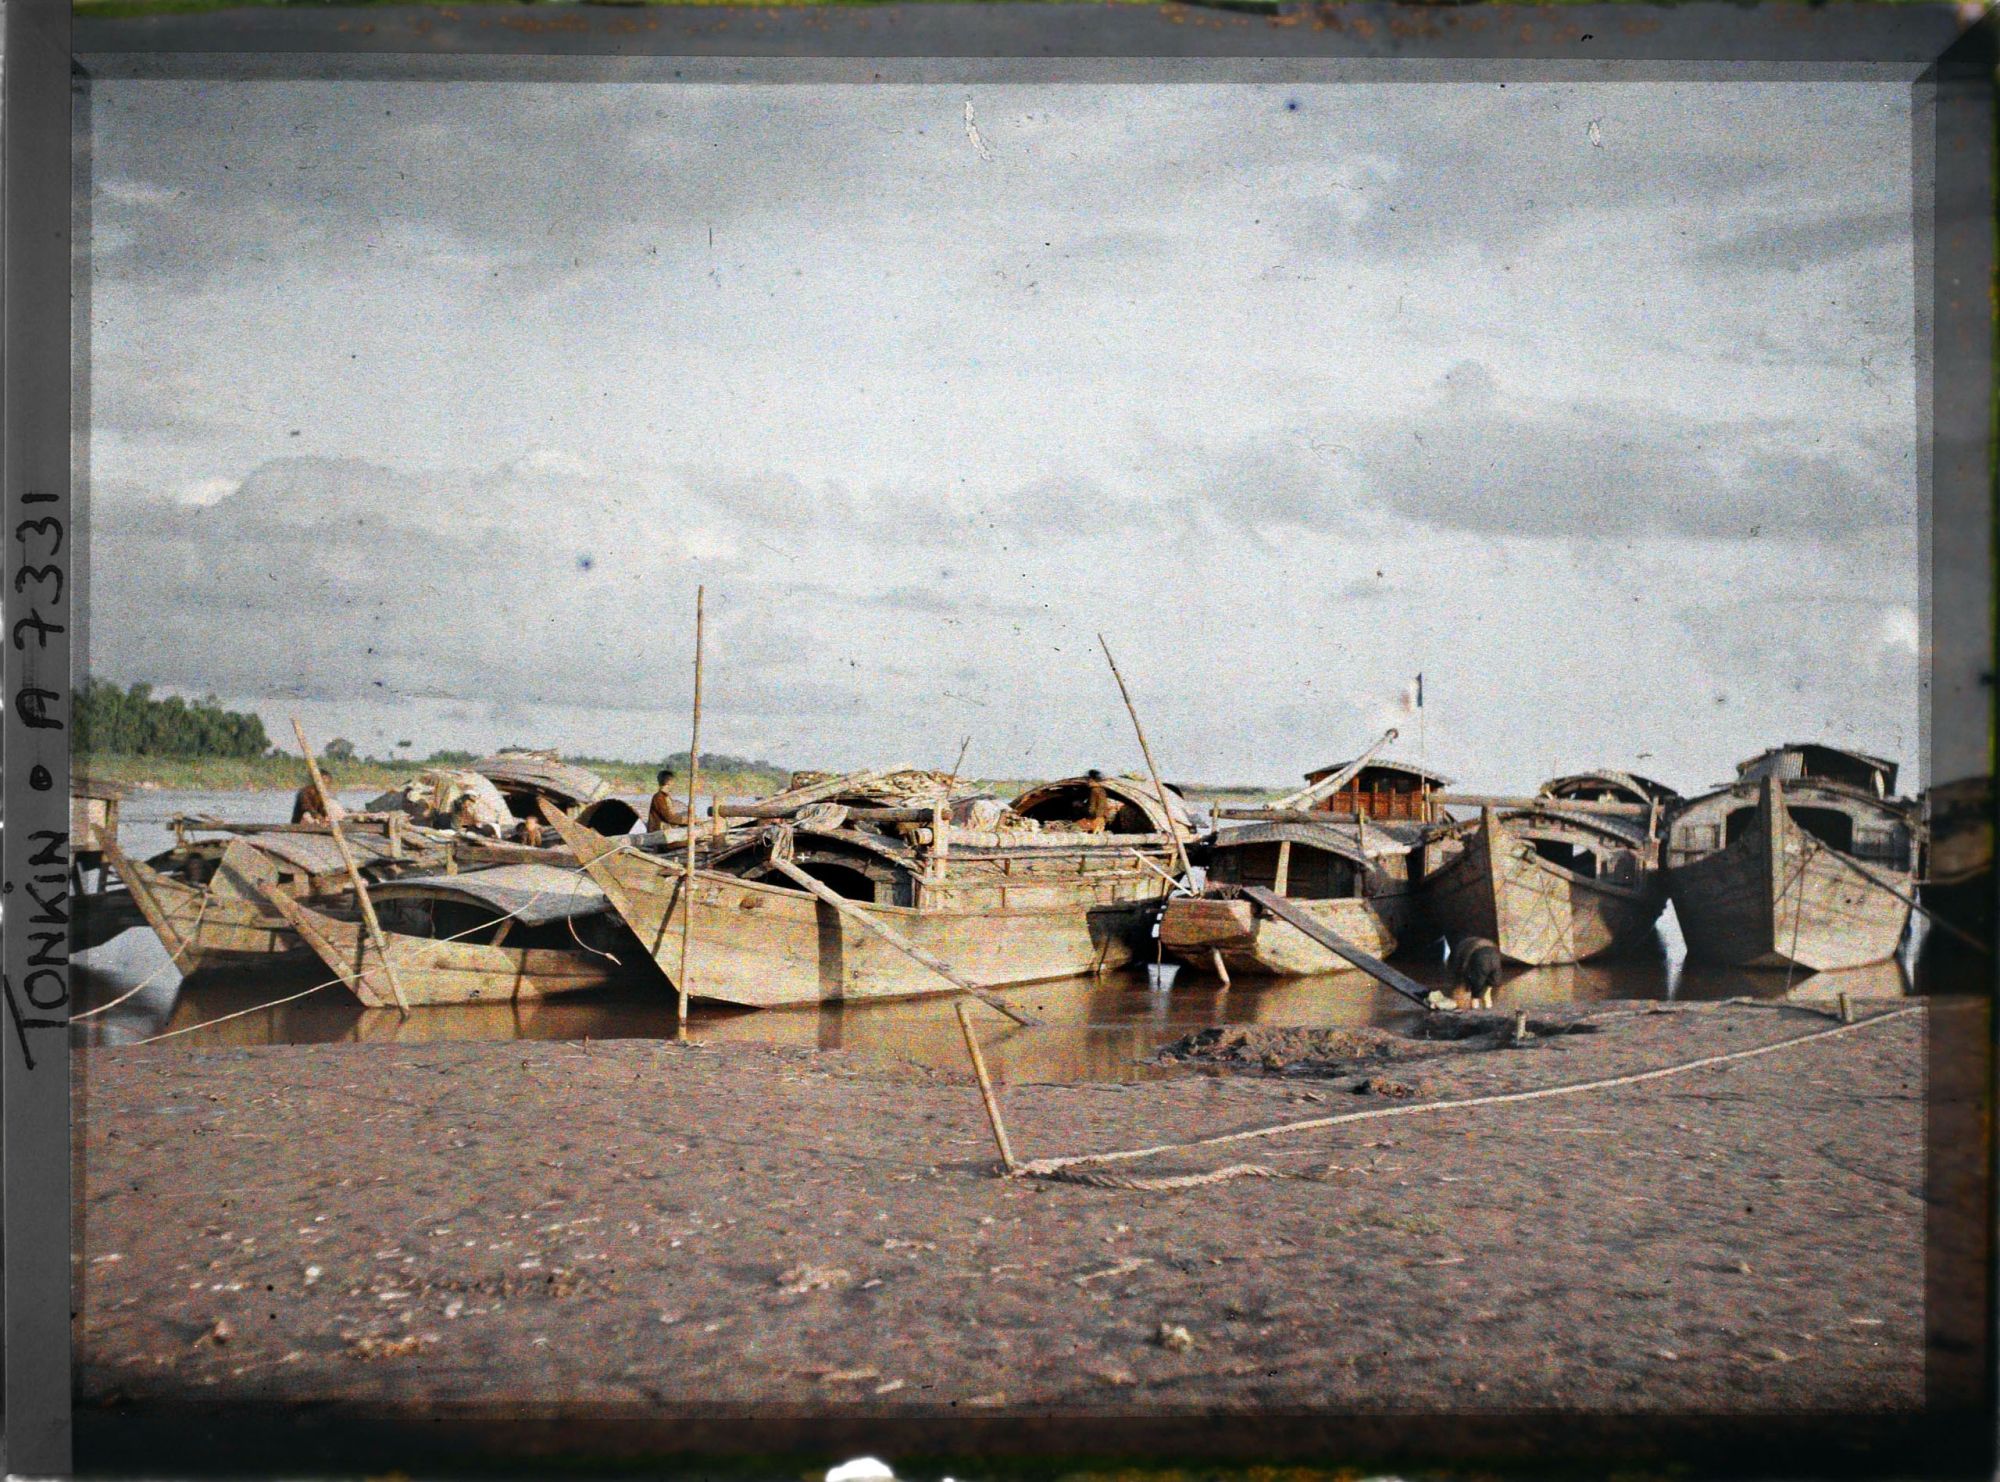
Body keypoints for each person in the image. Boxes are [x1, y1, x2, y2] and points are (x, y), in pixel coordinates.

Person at [1076, 768, 1119, 834]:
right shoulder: (1101, 790)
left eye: (1088, 780)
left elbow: (1092, 807)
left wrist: (1082, 807)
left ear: (1092, 780)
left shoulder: (1094, 790)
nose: (1087, 782)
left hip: (1096, 818)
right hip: (1100, 817)